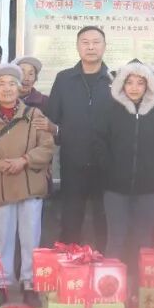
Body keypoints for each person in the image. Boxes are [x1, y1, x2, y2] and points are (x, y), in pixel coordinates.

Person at [0, 63, 55, 306]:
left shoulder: (35, 115)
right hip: (1, 183)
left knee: (30, 237)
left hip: (30, 184)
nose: (7, 89)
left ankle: (29, 284)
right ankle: (2, 283)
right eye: (1, 84)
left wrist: (24, 160)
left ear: (19, 88)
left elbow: (47, 147)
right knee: (2, 237)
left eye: (11, 85)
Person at [43, 26, 112, 248]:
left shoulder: (115, 80)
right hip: (73, 161)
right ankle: (69, 263)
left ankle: (104, 265)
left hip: (107, 164)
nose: (91, 47)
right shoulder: (64, 79)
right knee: (71, 219)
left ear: (104, 46)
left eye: (96, 42)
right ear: (77, 46)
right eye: (85, 42)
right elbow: (52, 120)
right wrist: (62, 136)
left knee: (105, 220)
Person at [97, 59, 154, 267]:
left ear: (148, 85)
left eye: (140, 83)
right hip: (115, 190)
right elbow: (100, 145)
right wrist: (109, 175)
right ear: (121, 84)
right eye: (129, 82)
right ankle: (111, 284)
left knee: (144, 240)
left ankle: (142, 284)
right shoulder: (110, 110)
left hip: (148, 190)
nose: (134, 88)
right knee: (116, 238)